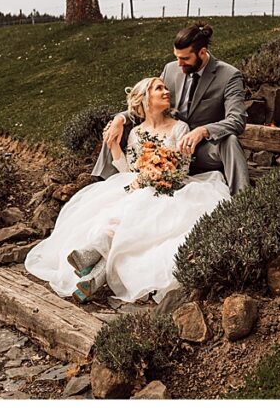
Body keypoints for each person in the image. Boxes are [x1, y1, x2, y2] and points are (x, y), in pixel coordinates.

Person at [25, 76, 231, 303]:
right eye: (158, 89)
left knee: (137, 211)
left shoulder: (179, 128)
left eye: (165, 88)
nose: (166, 92)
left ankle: (95, 258)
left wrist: (157, 176)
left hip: (170, 188)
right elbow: (129, 169)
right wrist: (114, 146)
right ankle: (95, 277)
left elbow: (181, 168)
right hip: (140, 185)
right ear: (145, 99)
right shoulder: (136, 133)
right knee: (124, 209)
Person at [94, 22, 251, 195]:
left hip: (202, 148)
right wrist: (120, 118)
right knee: (114, 128)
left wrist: (203, 131)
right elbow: (149, 100)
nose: (179, 63)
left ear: (202, 52)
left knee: (230, 141)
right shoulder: (171, 69)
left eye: (185, 59)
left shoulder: (229, 75)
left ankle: (242, 199)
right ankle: (103, 182)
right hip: (167, 140)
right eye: (177, 57)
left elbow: (237, 120)